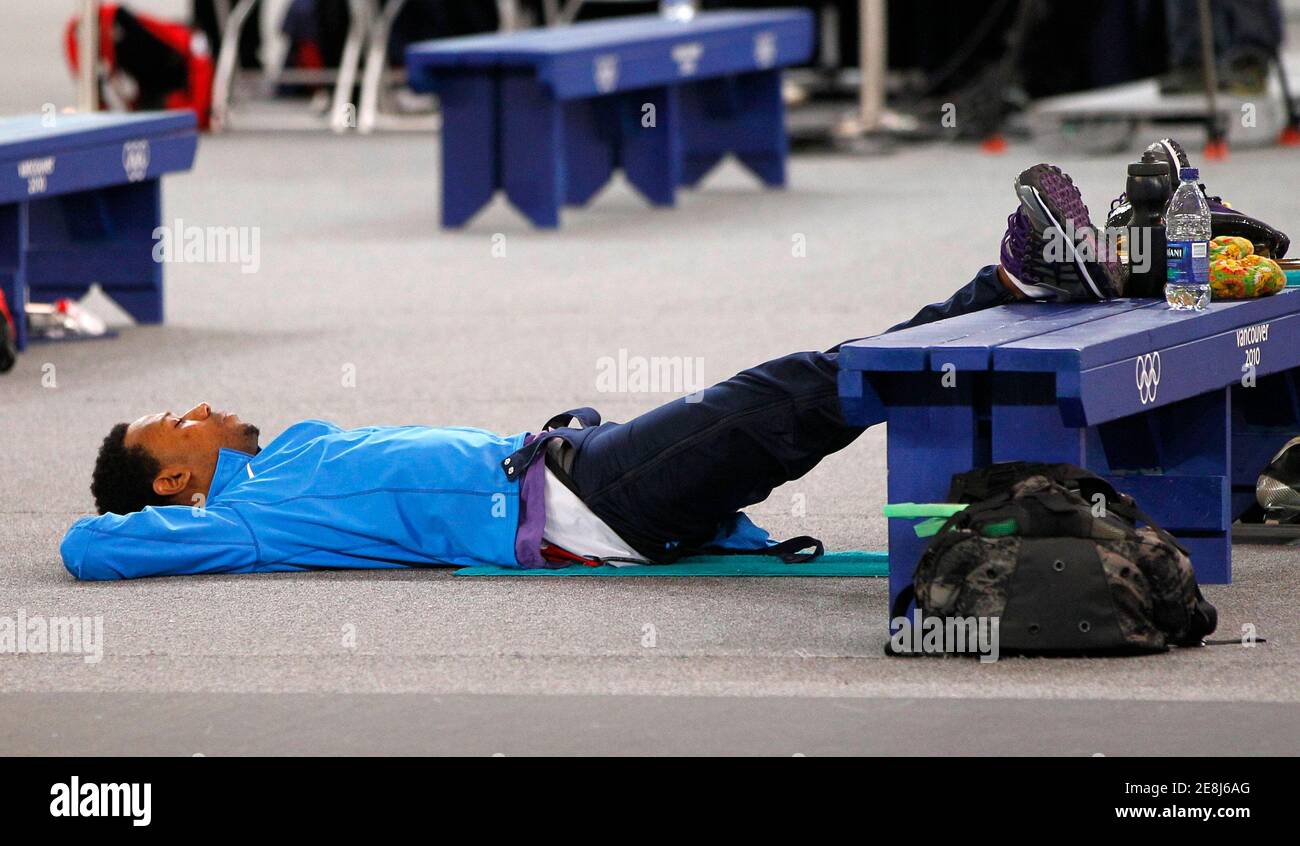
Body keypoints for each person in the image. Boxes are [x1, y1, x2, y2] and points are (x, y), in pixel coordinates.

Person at [60, 155, 1131, 580]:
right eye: (176, 420)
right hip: (588, 507)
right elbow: (88, 549)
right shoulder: (233, 518)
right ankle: (1011, 286)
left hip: (578, 463)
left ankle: (1016, 290)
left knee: (802, 389)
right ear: (171, 480)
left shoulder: (290, 448)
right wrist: (146, 511)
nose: (199, 405)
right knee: (790, 394)